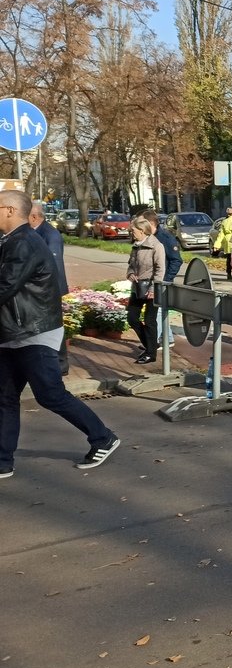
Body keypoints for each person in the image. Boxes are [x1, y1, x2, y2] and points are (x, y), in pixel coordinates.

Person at [0, 190, 121, 478]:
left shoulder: (25, 243)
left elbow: (4, 286)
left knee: (50, 394)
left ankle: (103, 437)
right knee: (4, 397)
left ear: (8, 211)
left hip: (34, 331)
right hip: (13, 331)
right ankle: (3, 460)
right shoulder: (10, 241)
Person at [29, 201, 70, 375]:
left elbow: (54, 265)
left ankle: (61, 363)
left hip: (50, 288)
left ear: (34, 217)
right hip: (41, 288)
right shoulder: (35, 231)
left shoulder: (50, 234)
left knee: (54, 325)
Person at [126, 215, 166, 365]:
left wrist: (153, 288)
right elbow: (131, 264)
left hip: (152, 288)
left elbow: (160, 270)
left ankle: (151, 353)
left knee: (150, 321)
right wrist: (130, 273)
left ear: (142, 231)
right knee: (132, 317)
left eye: (133, 230)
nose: (132, 233)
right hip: (137, 287)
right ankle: (151, 344)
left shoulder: (157, 246)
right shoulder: (136, 246)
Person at [145, 211, 183, 349]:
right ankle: (168, 339)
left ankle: (153, 341)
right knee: (161, 310)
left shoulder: (165, 238)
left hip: (162, 281)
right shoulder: (149, 237)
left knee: (159, 310)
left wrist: (166, 279)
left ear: (151, 223)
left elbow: (176, 261)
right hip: (153, 280)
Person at [213, 207, 232, 279]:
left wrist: (216, 245)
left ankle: (228, 273)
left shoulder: (224, 221)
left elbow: (221, 235)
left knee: (229, 258)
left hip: (228, 241)